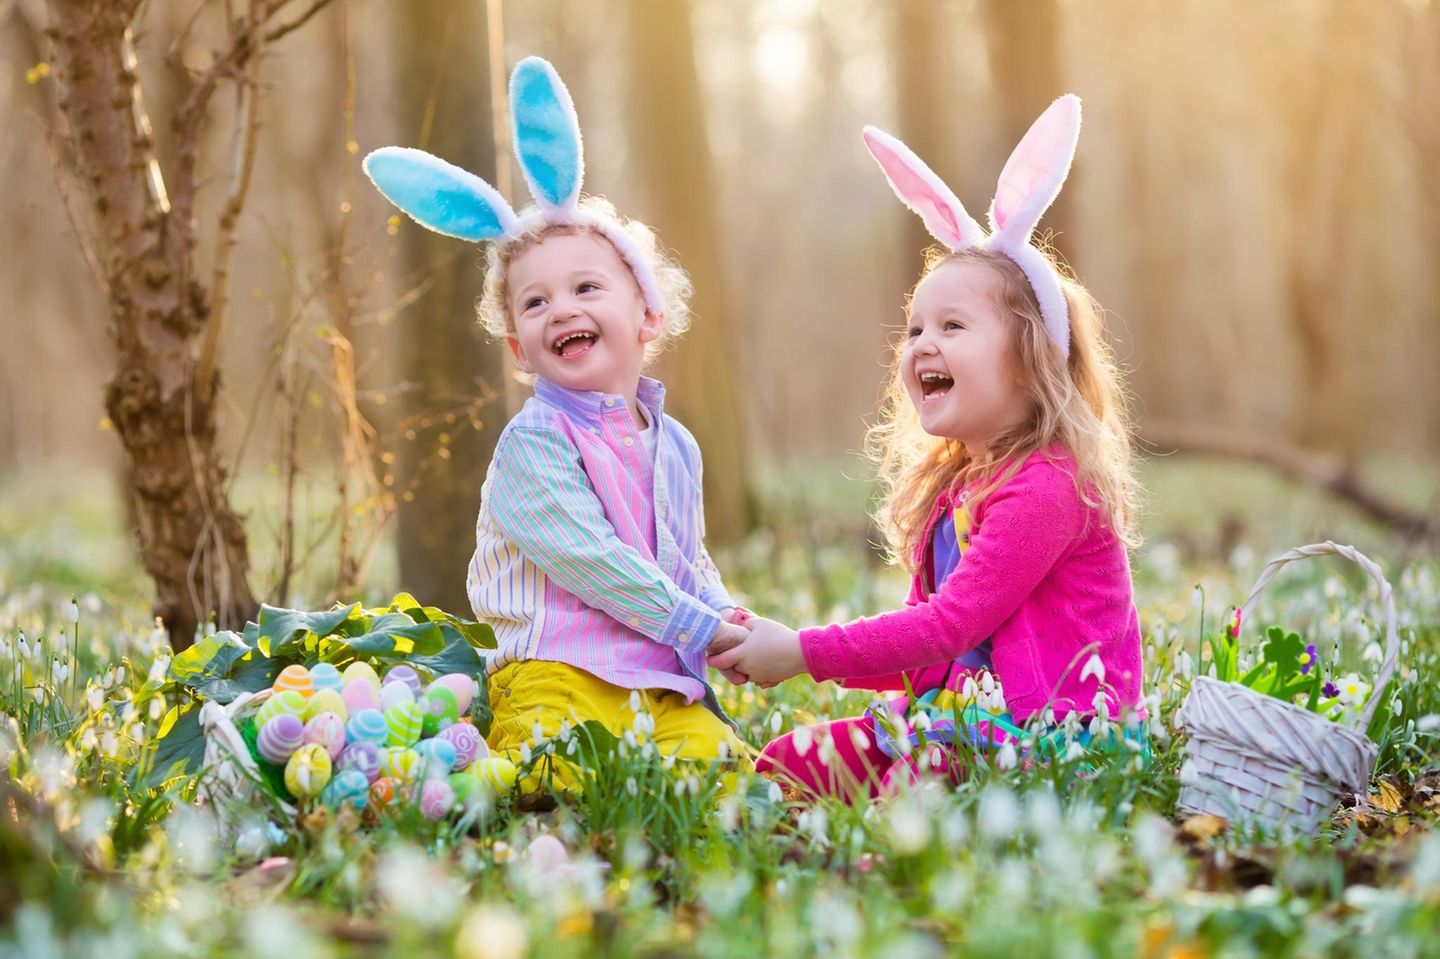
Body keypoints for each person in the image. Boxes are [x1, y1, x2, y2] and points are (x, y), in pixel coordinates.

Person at [708, 96, 1145, 800]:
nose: (923, 345)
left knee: (912, 790)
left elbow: (949, 626)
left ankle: (905, 855)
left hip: (1056, 738)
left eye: (952, 325)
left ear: (1032, 362)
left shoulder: (1049, 488)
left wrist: (800, 652)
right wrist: (783, 641)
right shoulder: (954, 490)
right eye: (915, 330)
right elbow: (926, 654)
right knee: (792, 762)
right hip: (956, 721)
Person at [364, 57, 749, 790]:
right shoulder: (532, 445)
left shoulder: (676, 444)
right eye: (534, 304)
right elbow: (592, 559)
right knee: (558, 773)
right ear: (518, 347)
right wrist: (700, 627)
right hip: (555, 669)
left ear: (647, 312)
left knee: (729, 777)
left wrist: (727, 612)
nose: (561, 309)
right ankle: (442, 779)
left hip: (658, 676)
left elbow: (685, 557)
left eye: (585, 287)